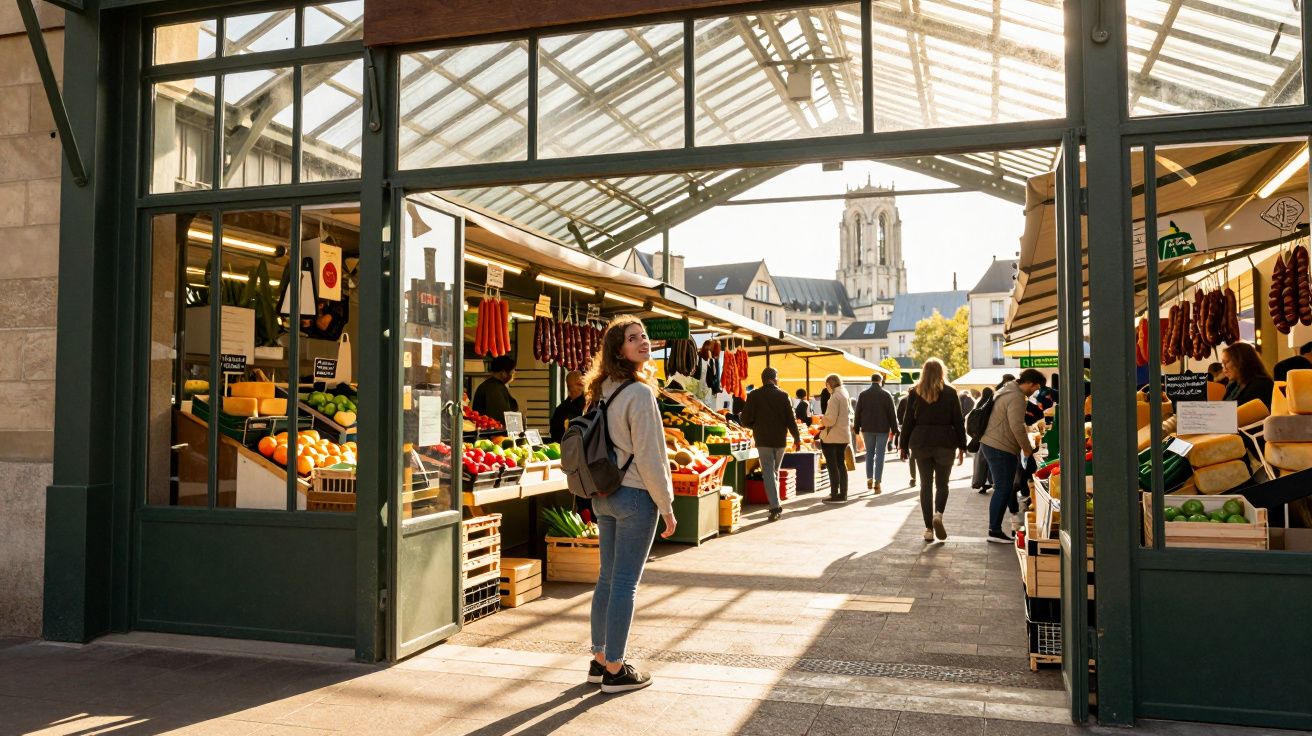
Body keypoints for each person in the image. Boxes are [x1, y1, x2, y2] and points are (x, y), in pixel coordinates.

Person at [581, 315, 676, 694]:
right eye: (633, 338)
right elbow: (652, 456)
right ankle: (616, 670)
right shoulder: (639, 394)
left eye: (644, 336)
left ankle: (599, 659)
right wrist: (666, 505)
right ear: (618, 349)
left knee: (606, 579)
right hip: (635, 495)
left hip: (605, 494)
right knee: (624, 583)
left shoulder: (601, 389)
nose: (643, 342)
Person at [899, 359, 967, 542]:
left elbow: (908, 422)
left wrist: (902, 445)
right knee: (942, 485)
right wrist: (963, 446)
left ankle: (928, 529)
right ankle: (938, 514)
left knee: (925, 485)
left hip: (920, 442)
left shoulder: (915, 392)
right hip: (945, 442)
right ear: (942, 371)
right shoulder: (951, 392)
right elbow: (958, 421)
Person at [980, 369, 1047, 544]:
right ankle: (994, 531)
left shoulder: (1006, 390)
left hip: (993, 443)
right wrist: (1026, 448)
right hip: (1000, 446)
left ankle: (997, 527)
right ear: (1030, 383)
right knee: (1003, 488)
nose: (1035, 391)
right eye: (1036, 387)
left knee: (1004, 488)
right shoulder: (1016, 397)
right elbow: (1016, 426)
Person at [741, 367, 802, 522]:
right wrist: (797, 438)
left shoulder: (754, 395)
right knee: (773, 472)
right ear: (775, 378)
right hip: (780, 441)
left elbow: (745, 420)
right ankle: (776, 504)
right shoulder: (784, 395)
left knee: (769, 473)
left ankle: (775, 507)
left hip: (763, 440)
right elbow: (791, 419)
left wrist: (755, 425)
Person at [853, 373, 898, 495]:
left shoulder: (863, 395)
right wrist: (895, 429)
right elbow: (892, 414)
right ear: (881, 381)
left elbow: (858, 413)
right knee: (880, 455)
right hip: (883, 429)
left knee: (869, 454)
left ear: (871, 380)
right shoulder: (886, 394)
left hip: (867, 429)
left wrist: (856, 428)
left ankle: (869, 478)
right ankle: (877, 482)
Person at [818, 374, 852, 502]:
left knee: (833, 466)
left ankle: (834, 493)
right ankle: (843, 493)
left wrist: (822, 420)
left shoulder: (834, 397)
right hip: (843, 435)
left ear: (829, 384)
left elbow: (830, 420)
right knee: (841, 465)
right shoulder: (844, 393)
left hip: (832, 437)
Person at [1222, 341, 1275, 410]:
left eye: (1226, 362)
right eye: (1222, 364)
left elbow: (1249, 414)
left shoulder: (1262, 384)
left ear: (1241, 361)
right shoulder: (1233, 385)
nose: (1224, 368)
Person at [472, 355, 518, 425]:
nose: (513, 376)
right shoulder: (494, 389)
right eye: (512, 372)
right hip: (492, 433)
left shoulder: (491, 385)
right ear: (503, 373)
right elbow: (500, 416)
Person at [550, 370, 586, 443]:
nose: (580, 388)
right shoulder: (561, 409)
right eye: (579, 384)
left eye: (581, 385)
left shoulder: (589, 405)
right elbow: (554, 433)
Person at [972, 386, 995, 495]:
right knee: (989, 463)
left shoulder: (979, 403)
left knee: (981, 463)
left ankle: (981, 483)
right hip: (990, 437)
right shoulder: (992, 405)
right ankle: (989, 482)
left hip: (980, 438)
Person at [896, 392, 916, 487]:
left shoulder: (904, 400)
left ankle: (913, 477)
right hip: (918, 429)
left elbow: (899, 415)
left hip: (908, 429)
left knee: (912, 454)